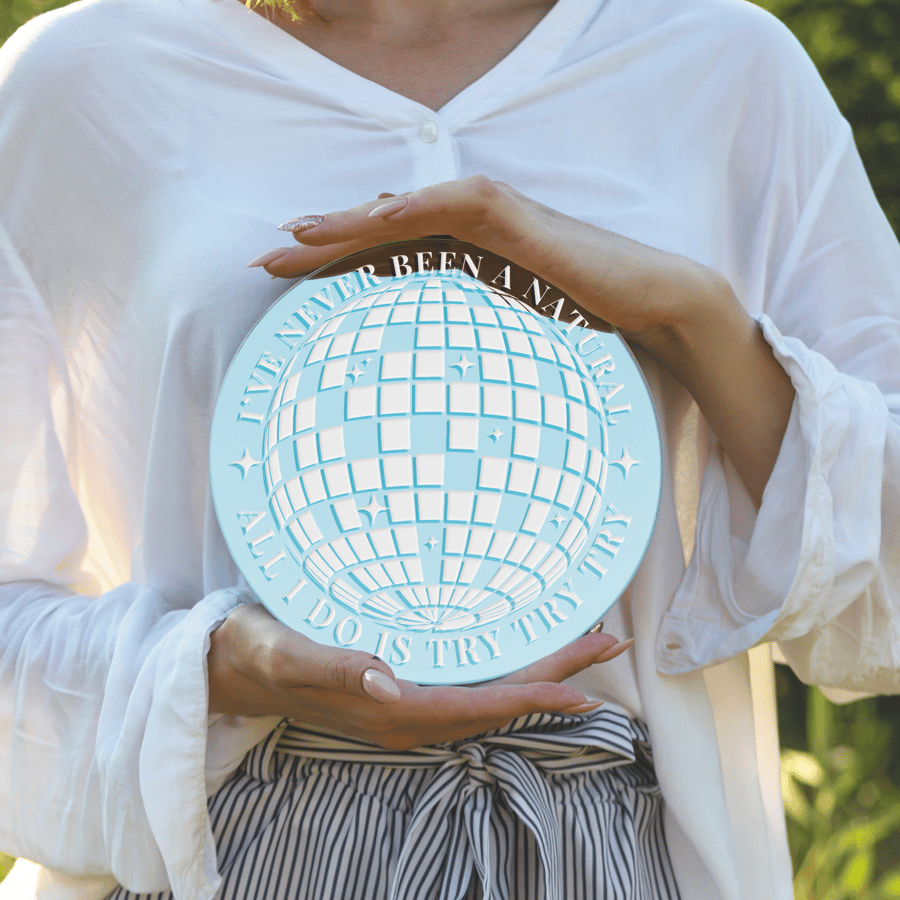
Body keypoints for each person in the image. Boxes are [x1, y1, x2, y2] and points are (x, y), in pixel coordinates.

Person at [0, 0, 897, 897]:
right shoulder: (85, 73)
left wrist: (693, 318)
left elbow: (888, 586)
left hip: (618, 850)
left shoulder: (724, 61)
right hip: (226, 846)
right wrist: (221, 670)